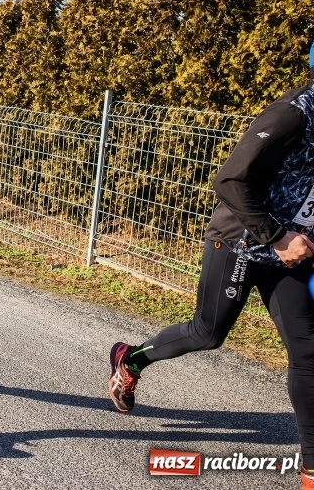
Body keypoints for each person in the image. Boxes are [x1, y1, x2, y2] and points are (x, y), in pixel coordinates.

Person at [108, 82, 314, 489]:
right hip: (242, 242)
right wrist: (278, 236)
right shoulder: (293, 115)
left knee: (308, 351)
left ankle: (310, 468)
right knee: (207, 333)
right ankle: (130, 359)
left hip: (291, 252)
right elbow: (230, 180)